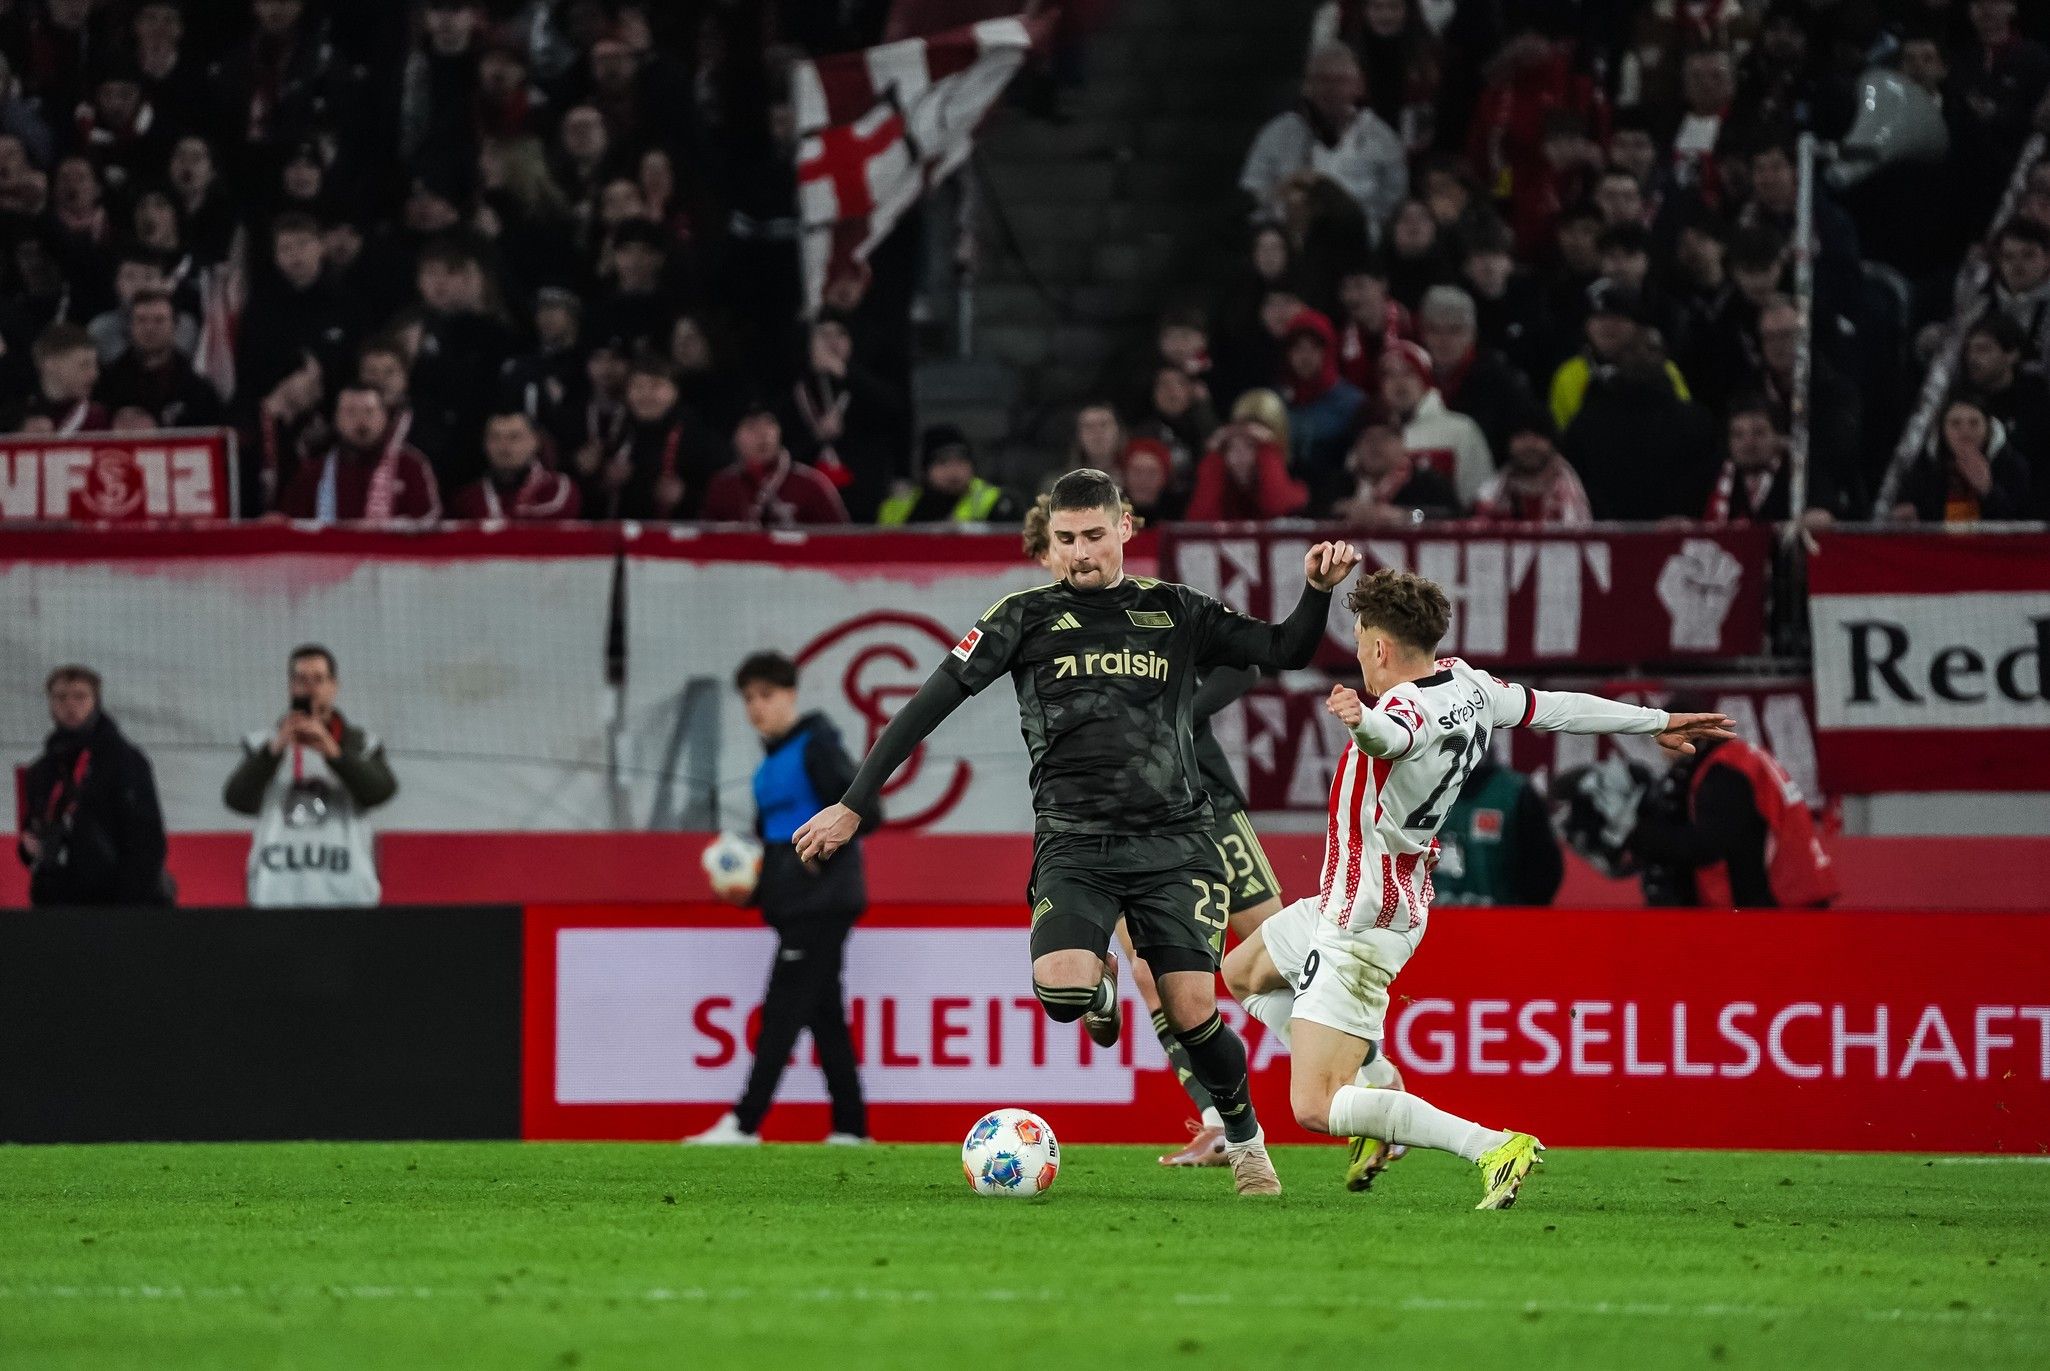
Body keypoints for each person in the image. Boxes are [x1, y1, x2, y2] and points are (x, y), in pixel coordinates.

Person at [795, 469, 1365, 1196]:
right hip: (1074, 842)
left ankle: (1247, 1141)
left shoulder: (1175, 609)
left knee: (1192, 1011)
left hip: (1174, 844)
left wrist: (1315, 593)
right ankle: (1096, 992)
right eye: (1066, 539)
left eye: (1094, 535)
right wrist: (852, 803)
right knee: (1061, 992)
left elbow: (1284, 650)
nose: (1079, 552)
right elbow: (925, 706)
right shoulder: (1021, 617)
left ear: (1124, 527)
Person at [1220, 568, 1736, 1204]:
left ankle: (1489, 1145)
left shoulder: (1402, 710)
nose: (1359, 656)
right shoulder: (1469, 685)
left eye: (1358, 643)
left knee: (1316, 1106)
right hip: (1358, 897)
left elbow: (1393, 736)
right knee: (1243, 973)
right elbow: (1557, 708)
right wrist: (1652, 720)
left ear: (1380, 647)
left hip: (1363, 917)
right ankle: (1375, 1082)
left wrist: (1359, 723)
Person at [1017, 499, 1286, 1167]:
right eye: (1055, 548)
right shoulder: (1049, 630)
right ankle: (1217, 1120)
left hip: (1204, 806)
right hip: (1114, 829)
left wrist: (1176, 719)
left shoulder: (1157, 611)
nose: (1069, 558)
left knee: (1274, 945)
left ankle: (1366, 1080)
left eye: (1084, 539)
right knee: (1148, 968)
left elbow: (1247, 663)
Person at [687, 653, 877, 1146]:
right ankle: (851, 1128)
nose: (756, 706)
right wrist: (750, 888)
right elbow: (773, 848)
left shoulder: (817, 745)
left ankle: (744, 1123)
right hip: (794, 905)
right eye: (748, 698)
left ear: (791, 694)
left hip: (822, 903)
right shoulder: (769, 762)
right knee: (824, 1016)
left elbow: (868, 810)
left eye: (766, 695)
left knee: (780, 1012)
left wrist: (822, 860)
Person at [1611, 696, 1840, 910]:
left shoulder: (1724, 772)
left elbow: (1709, 845)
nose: (1664, 754)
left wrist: (1642, 836)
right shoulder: (1739, 758)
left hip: (1785, 903)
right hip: (1799, 892)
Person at [223, 645, 397, 908]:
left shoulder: (362, 744)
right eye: (302, 680)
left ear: (333, 686)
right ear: (291, 686)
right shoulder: (263, 744)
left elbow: (380, 792)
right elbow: (237, 799)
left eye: (319, 679)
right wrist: (275, 750)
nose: (311, 688)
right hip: (277, 893)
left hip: (347, 892)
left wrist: (333, 753)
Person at [16, 665, 169, 908]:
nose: (70, 705)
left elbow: (147, 839)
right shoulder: (42, 769)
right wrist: (29, 849)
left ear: (96, 702)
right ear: (51, 705)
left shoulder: (124, 759)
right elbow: (33, 830)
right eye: (61, 697)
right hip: (57, 901)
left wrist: (129, 906)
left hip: (116, 901)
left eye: (80, 697)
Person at [1240, 42, 1407, 236]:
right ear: (1307, 86)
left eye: (1340, 80)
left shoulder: (1381, 138)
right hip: (1290, 239)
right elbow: (1252, 192)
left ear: (1359, 86)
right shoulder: (1277, 134)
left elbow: (1395, 203)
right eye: (1322, 80)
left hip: (1359, 240)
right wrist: (1282, 196)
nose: (1331, 89)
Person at [278, 383, 442, 523]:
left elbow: (429, 525)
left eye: (369, 411)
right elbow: (290, 527)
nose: (361, 421)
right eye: (350, 412)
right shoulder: (312, 473)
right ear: (336, 419)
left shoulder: (411, 467)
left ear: (384, 417)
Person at [1431, 755, 1563, 907]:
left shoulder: (1516, 794)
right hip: (1432, 918)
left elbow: (1543, 874)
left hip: (1500, 918)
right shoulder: (1418, 790)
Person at [700, 403, 852, 527]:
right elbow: (704, 541)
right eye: (751, 426)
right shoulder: (723, 485)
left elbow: (843, 541)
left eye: (769, 423)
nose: (763, 434)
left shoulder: (811, 483)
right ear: (734, 438)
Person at [1378, 339, 1493, 503]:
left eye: (1408, 373)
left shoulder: (1460, 430)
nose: (1399, 383)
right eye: (1389, 375)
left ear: (1425, 380)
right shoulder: (1371, 434)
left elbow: (1479, 496)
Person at [1890, 395, 2036, 523]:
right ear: (1942, 430)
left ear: (1988, 428)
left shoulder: (2012, 465)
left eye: (1974, 423)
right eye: (1955, 423)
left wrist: (1988, 491)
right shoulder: (1923, 467)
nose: (1965, 432)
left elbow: (2024, 522)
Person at [94, 288, 226, 429]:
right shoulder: (106, 385)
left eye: (159, 320)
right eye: (141, 320)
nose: (149, 328)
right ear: (130, 326)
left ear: (175, 325)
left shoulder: (198, 390)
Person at [449, 410, 580, 520]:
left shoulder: (558, 488)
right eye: (495, 437)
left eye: (514, 437)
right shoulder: (466, 499)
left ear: (535, 441)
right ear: (484, 444)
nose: (504, 446)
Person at [876, 425, 1018, 525]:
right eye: (942, 462)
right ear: (924, 470)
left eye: (961, 461)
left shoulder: (997, 503)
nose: (953, 471)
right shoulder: (898, 507)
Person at [1469, 411, 1591, 524]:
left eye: (1538, 436)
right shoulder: (1489, 497)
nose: (1530, 444)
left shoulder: (1573, 495)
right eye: (1521, 436)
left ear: (1552, 443)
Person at [1327, 421, 1460, 525]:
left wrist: (1407, 516)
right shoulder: (1340, 483)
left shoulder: (1426, 481)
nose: (1375, 446)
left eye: (1384, 438)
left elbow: (1453, 515)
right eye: (1367, 438)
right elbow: (1319, 512)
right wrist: (1339, 511)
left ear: (1401, 444)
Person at [1184, 418, 1310, 521]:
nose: (1240, 454)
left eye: (1249, 446)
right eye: (1231, 447)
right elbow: (1200, 521)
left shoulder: (1293, 492)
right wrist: (1213, 458)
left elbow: (1276, 506)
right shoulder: (1218, 486)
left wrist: (1268, 449)